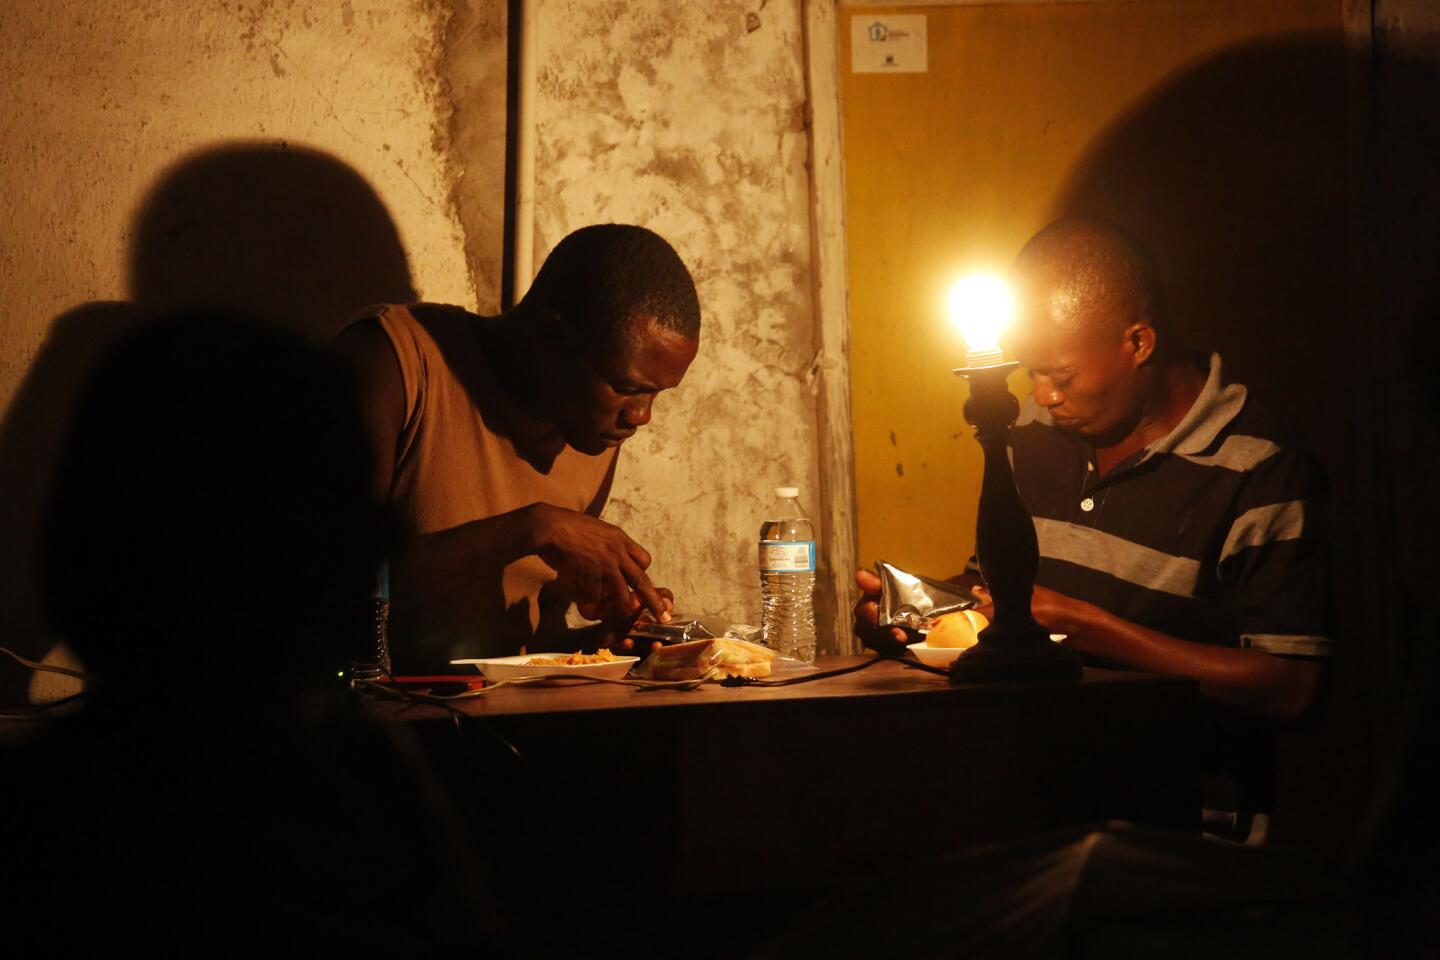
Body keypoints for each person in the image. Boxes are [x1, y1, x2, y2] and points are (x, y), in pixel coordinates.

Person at [855, 217, 1333, 835]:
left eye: (1062, 376)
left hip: (1179, 827)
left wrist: (1093, 629)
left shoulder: (1256, 468)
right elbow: (1009, 592)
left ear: (1138, 343)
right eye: (1031, 372)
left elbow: (1294, 686)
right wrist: (920, 613)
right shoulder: (1033, 431)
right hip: (1038, 802)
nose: (1043, 396)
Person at [333, 223, 701, 672]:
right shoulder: (395, 361)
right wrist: (530, 529)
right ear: (551, 336)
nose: (641, 416)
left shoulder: (593, 429)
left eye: (656, 395)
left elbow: (516, 647)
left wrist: (599, 644)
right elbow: (314, 582)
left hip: (510, 729)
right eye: (626, 388)